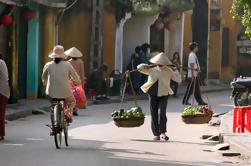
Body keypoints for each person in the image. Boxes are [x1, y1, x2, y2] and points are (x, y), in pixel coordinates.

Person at [137, 52, 182, 141]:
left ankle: (163, 132)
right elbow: (139, 68)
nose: (161, 66)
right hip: (152, 93)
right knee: (153, 113)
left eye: (162, 64)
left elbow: (178, 79)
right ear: (156, 63)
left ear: (165, 64)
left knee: (162, 113)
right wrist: (145, 65)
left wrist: (175, 70)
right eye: (159, 64)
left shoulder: (169, 71)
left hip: (164, 94)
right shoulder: (151, 69)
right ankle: (156, 134)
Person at [42, 45, 81, 124]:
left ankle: (53, 125)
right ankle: (68, 113)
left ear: (53, 55)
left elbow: (43, 78)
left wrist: (45, 84)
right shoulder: (67, 65)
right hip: (65, 92)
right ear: (62, 56)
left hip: (51, 93)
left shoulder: (48, 65)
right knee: (72, 101)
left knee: (53, 105)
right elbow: (75, 77)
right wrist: (78, 82)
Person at [65, 47, 86, 116]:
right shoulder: (80, 62)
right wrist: (82, 83)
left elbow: (67, 73)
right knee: (77, 96)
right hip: (78, 81)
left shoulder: (68, 62)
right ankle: (75, 109)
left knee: (70, 96)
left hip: (70, 81)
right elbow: (82, 73)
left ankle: (71, 109)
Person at [0, 54, 10, 141]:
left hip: (1, 91)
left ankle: (1, 134)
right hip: (4, 90)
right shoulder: (2, 62)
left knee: (1, 113)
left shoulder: (0, 62)